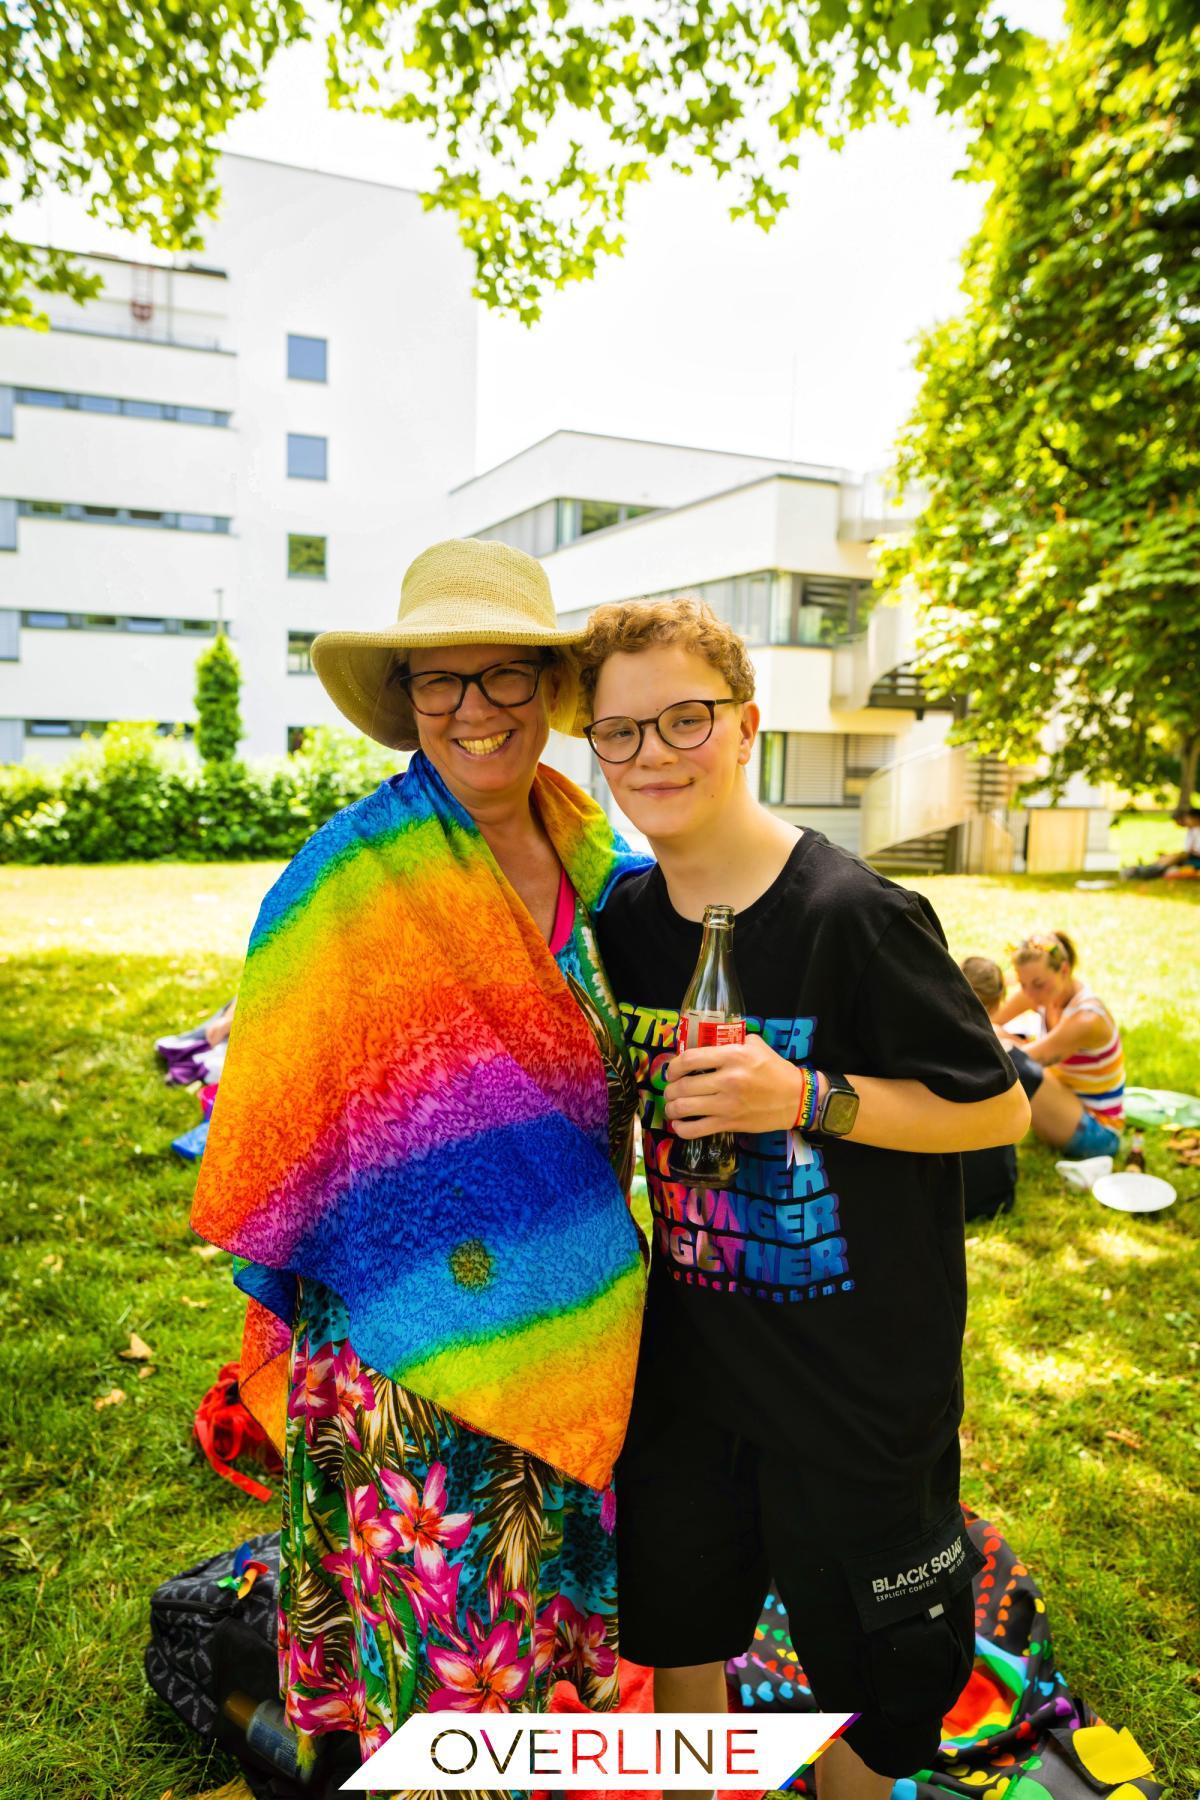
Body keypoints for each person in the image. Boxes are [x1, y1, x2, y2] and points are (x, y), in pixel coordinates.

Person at [191, 539, 649, 1781]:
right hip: (405, 1340)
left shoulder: (610, 867)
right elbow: (278, 1105)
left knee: (545, 1639)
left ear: (547, 690)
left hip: (578, 1315)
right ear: (407, 698)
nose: (473, 708)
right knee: (443, 1658)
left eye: (503, 675)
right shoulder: (346, 879)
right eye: (440, 680)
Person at [574, 597, 1030, 1800]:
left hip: (857, 1389)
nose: (653, 753)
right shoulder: (623, 923)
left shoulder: (858, 917)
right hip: (690, 1371)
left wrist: (808, 1098)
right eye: (620, 732)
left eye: (685, 718)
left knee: (876, 1690)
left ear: (746, 727)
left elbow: (996, 1110)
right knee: (678, 1631)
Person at [990, 929, 1125, 1159]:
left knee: (1008, 1058)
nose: (1029, 994)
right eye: (1022, 984)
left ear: (1064, 970)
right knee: (996, 1038)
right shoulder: (1042, 992)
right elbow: (988, 1021)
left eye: (1038, 984)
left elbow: (1018, 1064)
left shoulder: (1087, 1019)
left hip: (1099, 1132)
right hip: (1065, 1106)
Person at [958, 958, 1018, 1220]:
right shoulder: (1009, 1058)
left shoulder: (926, 1047)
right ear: (997, 1003)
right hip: (995, 1195)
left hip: (945, 1194)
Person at [1119, 805, 1200, 880]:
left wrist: (1188, 853)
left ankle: (1149, 871)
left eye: (1188, 819)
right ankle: (1145, 868)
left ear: (1196, 818)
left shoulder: (1196, 830)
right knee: (1169, 856)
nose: (1186, 821)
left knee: (1179, 855)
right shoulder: (1192, 831)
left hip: (1195, 856)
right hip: (1190, 855)